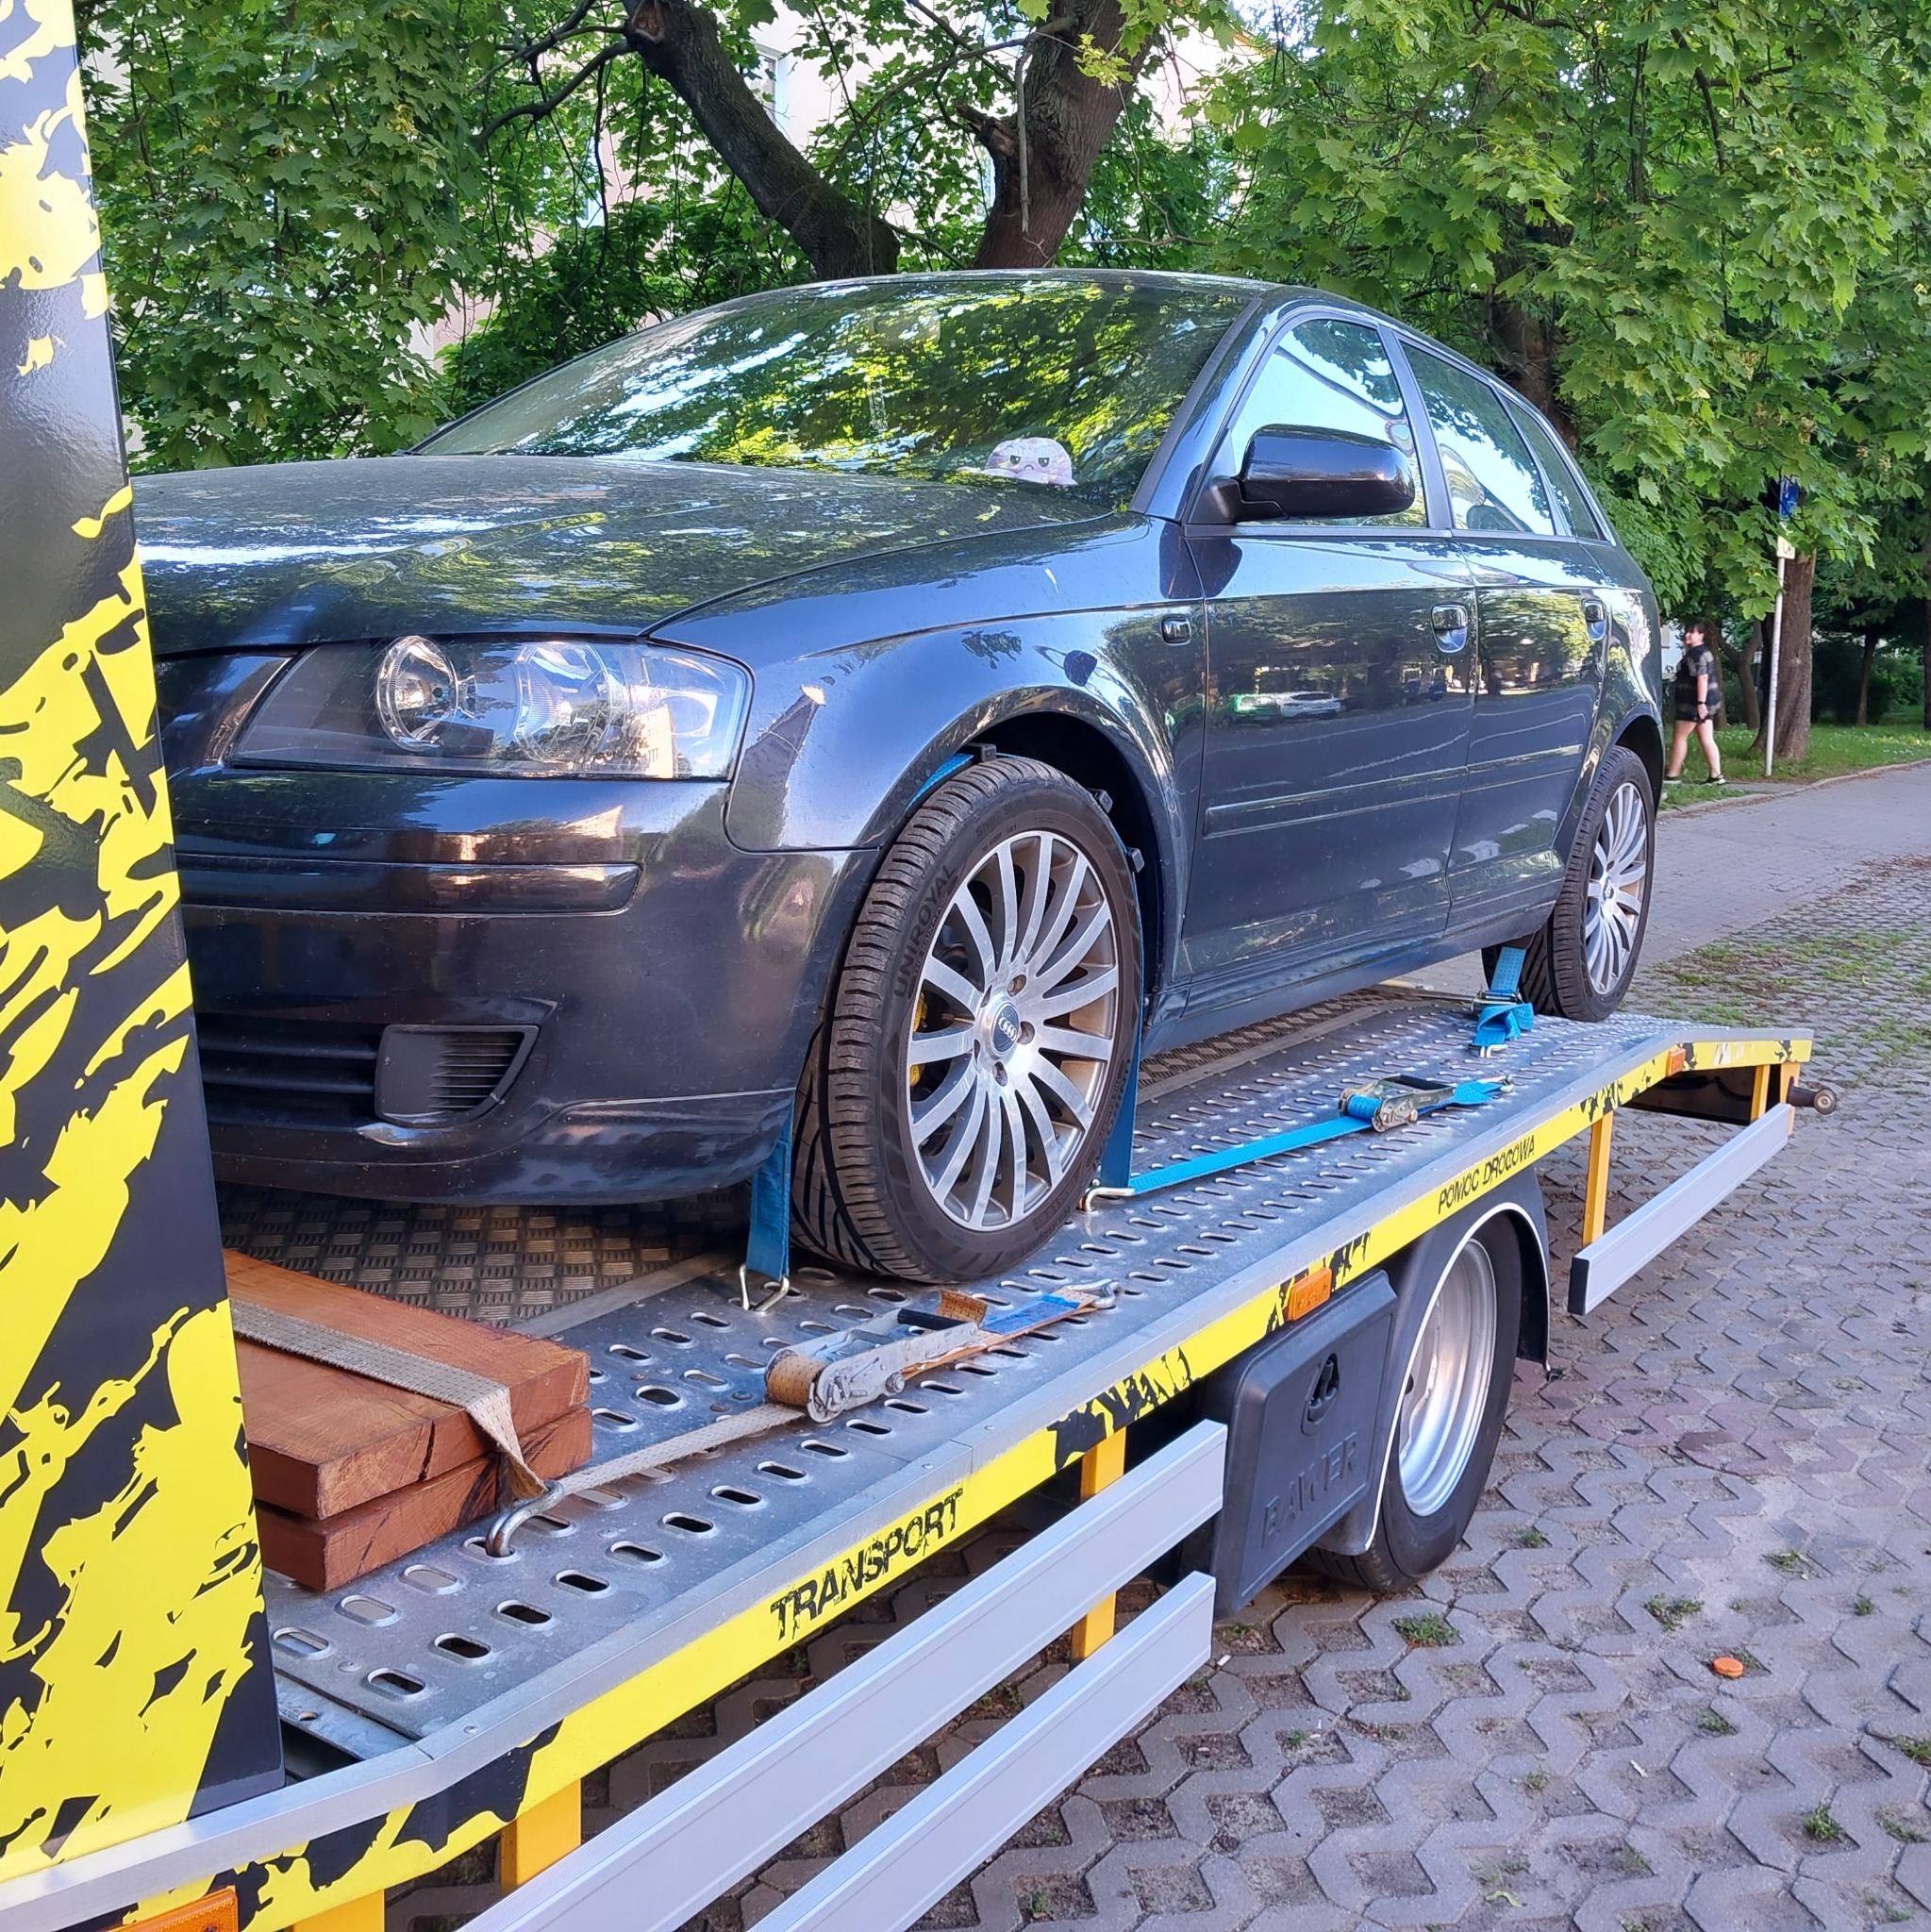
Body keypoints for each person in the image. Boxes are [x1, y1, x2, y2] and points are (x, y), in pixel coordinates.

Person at [1666, 620, 1724, 785]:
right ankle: (1716, 775)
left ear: (1702, 636)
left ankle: (1672, 775)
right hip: (1709, 702)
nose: (1688, 635)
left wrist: (1700, 703)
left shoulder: (1695, 654)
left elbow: (1702, 678)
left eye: (1693, 632)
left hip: (1692, 704)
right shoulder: (1705, 651)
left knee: (1679, 736)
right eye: (1687, 631)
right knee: (1706, 738)